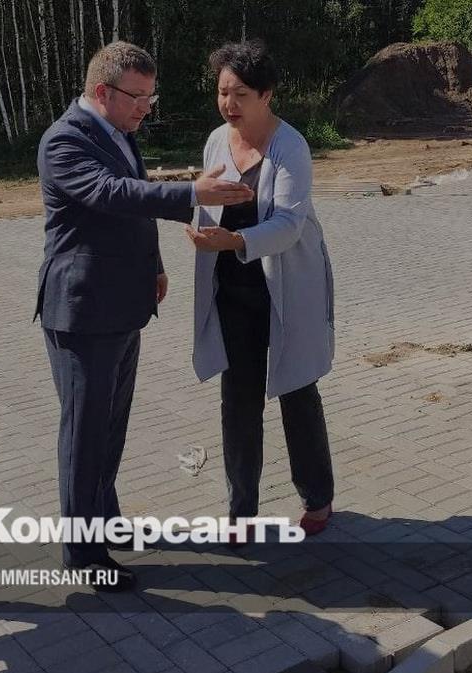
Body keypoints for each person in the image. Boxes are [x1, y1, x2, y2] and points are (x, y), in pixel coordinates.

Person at [36, 40, 253, 590]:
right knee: (84, 435)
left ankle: (104, 519)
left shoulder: (119, 132)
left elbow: (134, 208)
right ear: (101, 91)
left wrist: (154, 264)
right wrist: (193, 193)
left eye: (150, 98)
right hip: (83, 311)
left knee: (110, 427)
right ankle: (83, 554)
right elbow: (111, 193)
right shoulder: (65, 140)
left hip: (122, 305)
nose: (145, 109)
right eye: (138, 97)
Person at [185, 41, 336, 541]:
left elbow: (289, 224)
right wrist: (201, 227)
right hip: (233, 292)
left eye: (241, 94)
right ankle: (241, 511)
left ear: (267, 95)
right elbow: (207, 201)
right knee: (239, 402)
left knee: (297, 391)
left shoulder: (290, 146)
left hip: (286, 287)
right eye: (222, 92)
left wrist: (235, 241)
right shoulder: (216, 141)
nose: (229, 104)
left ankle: (317, 496)